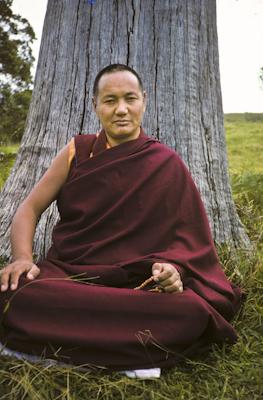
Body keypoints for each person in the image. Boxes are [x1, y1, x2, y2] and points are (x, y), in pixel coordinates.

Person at [0, 64, 242, 376]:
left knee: (192, 311)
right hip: (68, 274)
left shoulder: (166, 163)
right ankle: (131, 351)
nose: (121, 110)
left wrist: (172, 270)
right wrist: (22, 258)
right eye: (110, 100)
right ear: (95, 105)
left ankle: (42, 341)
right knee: (13, 289)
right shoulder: (78, 151)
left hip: (134, 287)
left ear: (144, 99)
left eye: (130, 98)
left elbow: (188, 243)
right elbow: (29, 208)